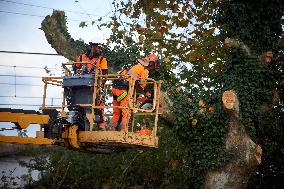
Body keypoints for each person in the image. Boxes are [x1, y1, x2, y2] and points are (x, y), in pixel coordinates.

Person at [110, 53, 159, 132]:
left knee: (116, 112)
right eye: (153, 66)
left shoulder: (134, 65)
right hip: (123, 90)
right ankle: (123, 131)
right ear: (151, 64)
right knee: (127, 112)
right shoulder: (143, 69)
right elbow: (140, 85)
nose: (152, 68)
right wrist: (145, 95)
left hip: (115, 88)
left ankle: (111, 129)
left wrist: (145, 92)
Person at [75, 42, 108, 130]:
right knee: (80, 104)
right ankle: (79, 121)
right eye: (99, 48)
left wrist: (101, 86)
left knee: (98, 103)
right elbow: (76, 66)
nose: (100, 50)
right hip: (82, 85)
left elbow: (104, 74)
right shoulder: (82, 57)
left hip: (95, 85)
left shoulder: (102, 59)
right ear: (94, 47)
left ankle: (101, 123)